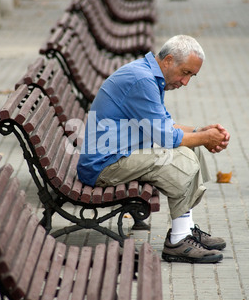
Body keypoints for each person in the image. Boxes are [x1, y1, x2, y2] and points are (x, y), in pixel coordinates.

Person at [77, 35, 230, 264]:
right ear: (168, 60)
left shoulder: (149, 75)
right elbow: (167, 137)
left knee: (193, 149)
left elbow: (165, 127)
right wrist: (203, 137)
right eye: (185, 73)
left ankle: (185, 229)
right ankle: (178, 242)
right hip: (104, 165)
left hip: (118, 155)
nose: (185, 82)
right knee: (180, 159)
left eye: (191, 76)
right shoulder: (142, 80)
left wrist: (200, 132)